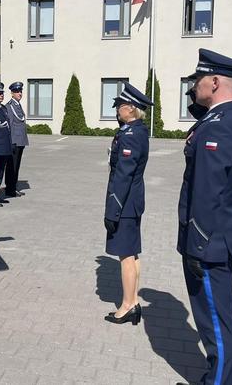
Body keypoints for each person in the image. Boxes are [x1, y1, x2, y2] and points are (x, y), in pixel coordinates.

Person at [176, 49, 232, 385]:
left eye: (198, 80)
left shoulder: (218, 128)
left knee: (215, 322)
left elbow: (208, 191)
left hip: (207, 241)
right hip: (222, 233)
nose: (194, 86)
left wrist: (196, 244)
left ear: (214, 81)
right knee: (216, 318)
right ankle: (216, 377)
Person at [103, 82, 153, 326]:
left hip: (124, 203)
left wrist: (112, 210)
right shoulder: (134, 131)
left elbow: (123, 176)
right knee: (131, 253)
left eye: (121, 106)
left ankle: (127, 305)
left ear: (131, 109)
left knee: (125, 256)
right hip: (131, 201)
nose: (117, 110)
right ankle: (132, 300)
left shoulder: (132, 135)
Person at [4, 81, 29, 198]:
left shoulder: (18, 105)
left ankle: (13, 187)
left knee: (16, 166)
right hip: (14, 141)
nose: (20, 93)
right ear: (12, 93)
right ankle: (10, 189)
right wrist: (11, 141)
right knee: (12, 167)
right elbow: (9, 124)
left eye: (20, 91)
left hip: (20, 141)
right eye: (17, 91)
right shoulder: (9, 106)